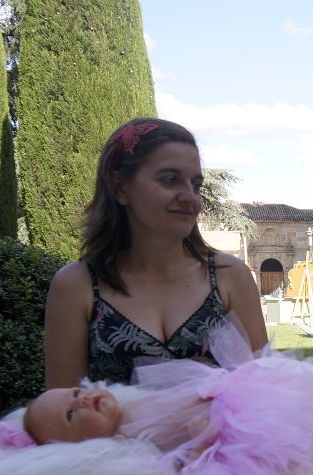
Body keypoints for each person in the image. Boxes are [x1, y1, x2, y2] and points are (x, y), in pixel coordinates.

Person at [14, 318, 313, 475]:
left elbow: (176, 392)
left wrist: (206, 385)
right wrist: (198, 446)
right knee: (270, 449)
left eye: (76, 393)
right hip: (224, 435)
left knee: (278, 399)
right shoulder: (125, 444)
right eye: (71, 414)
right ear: (74, 448)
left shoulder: (134, 401)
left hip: (228, 399)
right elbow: (167, 470)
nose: (83, 399)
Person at [43, 118, 267, 388]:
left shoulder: (230, 277)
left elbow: (262, 391)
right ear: (120, 187)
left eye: (195, 185)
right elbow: (61, 409)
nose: (190, 197)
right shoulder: (76, 285)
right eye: (170, 180)